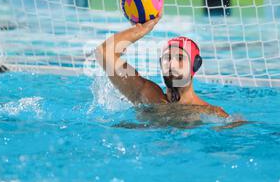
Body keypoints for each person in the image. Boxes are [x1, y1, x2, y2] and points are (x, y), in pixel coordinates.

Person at [95, 16, 229, 118]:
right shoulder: (147, 95)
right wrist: (139, 31)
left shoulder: (212, 113)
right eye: (167, 58)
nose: (172, 64)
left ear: (195, 65)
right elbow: (103, 52)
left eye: (180, 58)